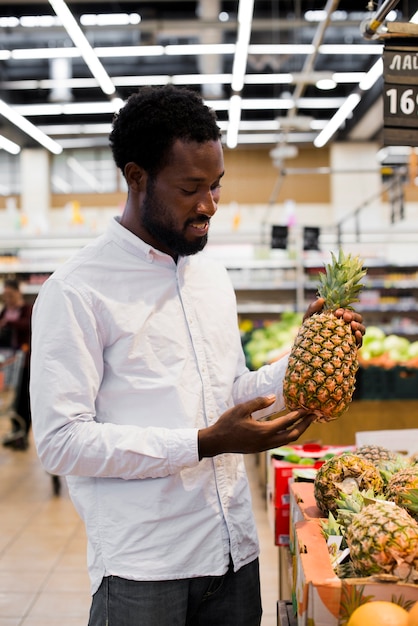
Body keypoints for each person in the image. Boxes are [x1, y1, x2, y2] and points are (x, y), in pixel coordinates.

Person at [30, 85, 365, 626]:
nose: (209, 204)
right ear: (137, 177)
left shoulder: (210, 274)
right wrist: (204, 444)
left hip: (233, 552)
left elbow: (229, 391)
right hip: (144, 568)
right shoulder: (76, 290)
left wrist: (308, 352)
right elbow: (61, 442)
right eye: (191, 188)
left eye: (216, 185)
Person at [0, 278, 32, 450]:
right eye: (5, 295)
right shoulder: (5, 309)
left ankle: (24, 435)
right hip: (9, 362)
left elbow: (28, 325)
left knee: (22, 401)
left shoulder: (27, 309)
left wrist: (8, 323)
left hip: (24, 362)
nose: (7, 298)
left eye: (10, 295)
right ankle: (14, 432)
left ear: (18, 292)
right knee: (12, 401)